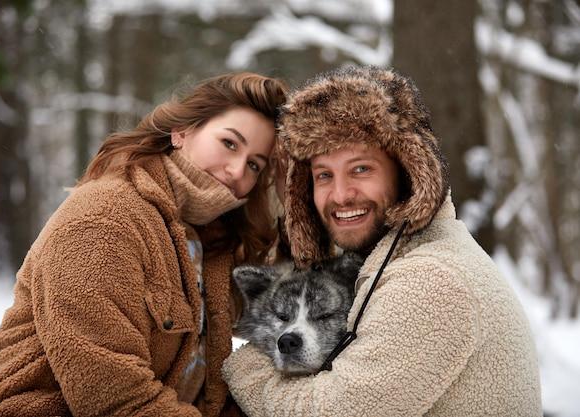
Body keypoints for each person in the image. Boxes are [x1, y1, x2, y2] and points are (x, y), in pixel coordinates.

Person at [0, 72, 286, 417]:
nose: (237, 171)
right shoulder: (104, 219)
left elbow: (294, 303)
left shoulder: (211, 238)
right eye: (229, 143)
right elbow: (112, 397)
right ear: (182, 131)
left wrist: (292, 195)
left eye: (254, 164)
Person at [222, 65, 542, 416]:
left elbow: (328, 413)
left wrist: (242, 366)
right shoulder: (399, 259)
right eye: (324, 175)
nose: (341, 195)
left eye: (361, 169)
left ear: (407, 171)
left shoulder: (430, 280)